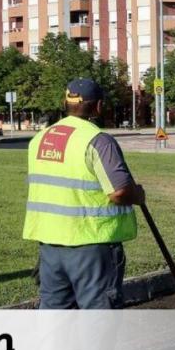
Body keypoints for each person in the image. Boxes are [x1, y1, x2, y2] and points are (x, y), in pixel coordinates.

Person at [23, 78, 145, 309]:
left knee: (54, 319)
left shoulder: (40, 139)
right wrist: (137, 196)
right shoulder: (98, 140)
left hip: (50, 246)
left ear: (65, 102)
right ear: (98, 106)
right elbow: (120, 192)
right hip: (91, 245)